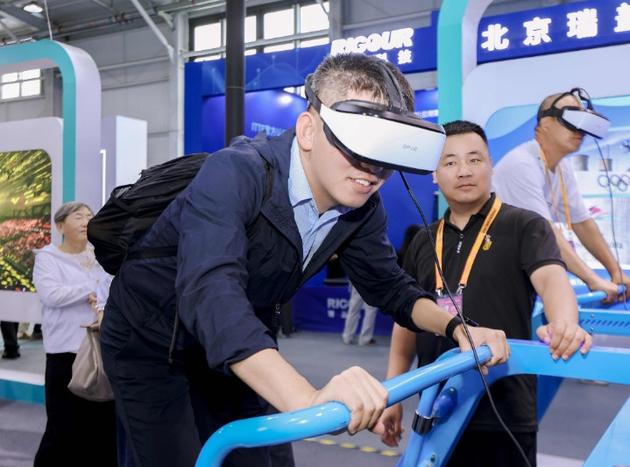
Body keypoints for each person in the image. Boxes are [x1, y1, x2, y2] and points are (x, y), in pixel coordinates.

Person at [99, 53, 510, 467]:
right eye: (360, 142)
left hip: (239, 342)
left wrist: (456, 326)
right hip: (150, 343)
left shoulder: (362, 205)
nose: (373, 168)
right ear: (309, 130)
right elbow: (212, 295)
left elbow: (389, 286)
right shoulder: (237, 172)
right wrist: (307, 399)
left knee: (262, 460)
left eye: (386, 148)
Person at [379, 121, 592, 466]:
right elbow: (407, 322)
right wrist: (393, 393)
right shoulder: (423, 240)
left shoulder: (525, 225)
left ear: (491, 166)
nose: (463, 171)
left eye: (474, 159)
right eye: (450, 162)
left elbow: (552, 280)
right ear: (434, 174)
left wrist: (565, 323)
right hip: (436, 408)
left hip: (505, 409)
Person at [492, 89, 630, 303]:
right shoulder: (521, 164)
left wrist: (616, 271)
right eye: (572, 118)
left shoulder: (562, 168)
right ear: (545, 123)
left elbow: (583, 223)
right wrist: (593, 280)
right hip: (495, 277)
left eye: (584, 121)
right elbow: (544, 232)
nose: (580, 130)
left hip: (522, 276)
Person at [32, 201, 117, 466]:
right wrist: (92, 288)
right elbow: (52, 295)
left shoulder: (100, 256)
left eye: (90, 216)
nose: (86, 222)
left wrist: (96, 291)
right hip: (64, 353)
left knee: (102, 424)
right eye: (78, 217)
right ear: (60, 226)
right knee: (62, 425)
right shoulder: (47, 258)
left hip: (99, 350)